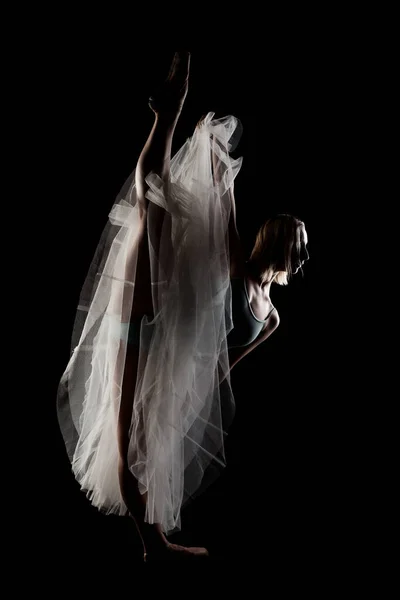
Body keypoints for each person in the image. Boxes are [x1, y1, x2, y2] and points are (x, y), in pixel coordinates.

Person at [56, 51, 309, 563]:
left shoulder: (272, 318)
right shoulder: (237, 262)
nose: (299, 258)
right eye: (295, 246)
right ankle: (166, 116)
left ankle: (155, 545)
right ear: (277, 246)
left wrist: (190, 396)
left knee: (143, 455)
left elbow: (222, 369)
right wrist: (219, 160)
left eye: (300, 250)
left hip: (170, 358)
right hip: (147, 317)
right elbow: (227, 199)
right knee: (155, 207)